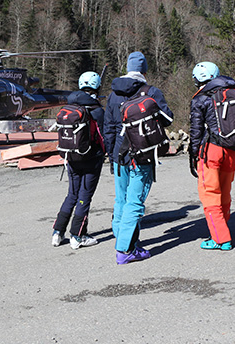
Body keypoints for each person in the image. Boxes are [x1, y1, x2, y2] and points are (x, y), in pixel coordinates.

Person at [103, 51, 173, 265]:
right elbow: (168, 119)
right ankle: (125, 249)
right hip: (141, 154)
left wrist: (111, 155)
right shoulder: (151, 92)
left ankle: (122, 238)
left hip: (119, 154)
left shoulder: (113, 94)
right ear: (144, 70)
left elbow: (108, 128)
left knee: (120, 199)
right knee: (135, 201)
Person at [52, 71, 106, 249]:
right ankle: (77, 235)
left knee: (72, 194)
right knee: (84, 196)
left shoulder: (70, 106)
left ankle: (57, 232)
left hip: (71, 157)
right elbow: (103, 136)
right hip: (91, 158)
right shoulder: (96, 110)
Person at [189, 62, 235, 251]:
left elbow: (196, 131)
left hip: (211, 150)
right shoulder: (232, 91)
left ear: (197, 79)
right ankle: (222, 228)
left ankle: (220, 239)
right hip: (232, 148)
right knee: (225, 191)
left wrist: (194, 154)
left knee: (210, 194)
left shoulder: (200, 98)